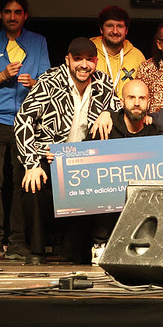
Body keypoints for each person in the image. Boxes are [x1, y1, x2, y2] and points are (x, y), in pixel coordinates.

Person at [14, 37, 120, 264]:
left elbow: (121, 110)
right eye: (78, 59)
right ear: (68, 60)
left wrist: (109, 112)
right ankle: (36, 251)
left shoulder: (103, 83)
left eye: (89, 59)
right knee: (33, 183)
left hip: (84, 164)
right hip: (50, 157)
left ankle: (92, 245)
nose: (84, 64)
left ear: (96, 61)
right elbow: (23, 120)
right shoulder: (50, 81)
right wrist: (32, 163)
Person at [0, 0, 51, 260]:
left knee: (22, 182)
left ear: (25, 15)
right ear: (0, 15)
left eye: (17, 12)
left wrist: (34, 83)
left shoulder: (37, 42)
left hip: (26, 123)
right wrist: (3, 75)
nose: (12, 17)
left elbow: (48, 84)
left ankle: (17, 242)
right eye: (7, 12)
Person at [90, 79, 161, 263]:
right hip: (107, 209)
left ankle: (143, 246)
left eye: (142, 98)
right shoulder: (106, 127)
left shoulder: (155, 133)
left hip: (140, 205)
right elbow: (83, 161)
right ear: (122, 102)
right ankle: (100, 246)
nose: (137, 103)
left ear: (148, 102)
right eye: (131, 97)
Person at [90, 5, 146, 98]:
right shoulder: (89, 52)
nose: (115, 31)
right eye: (110, 26)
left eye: (119, 26)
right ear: (101, 29)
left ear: (126, 30)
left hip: (126, 111)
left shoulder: (137, 56)